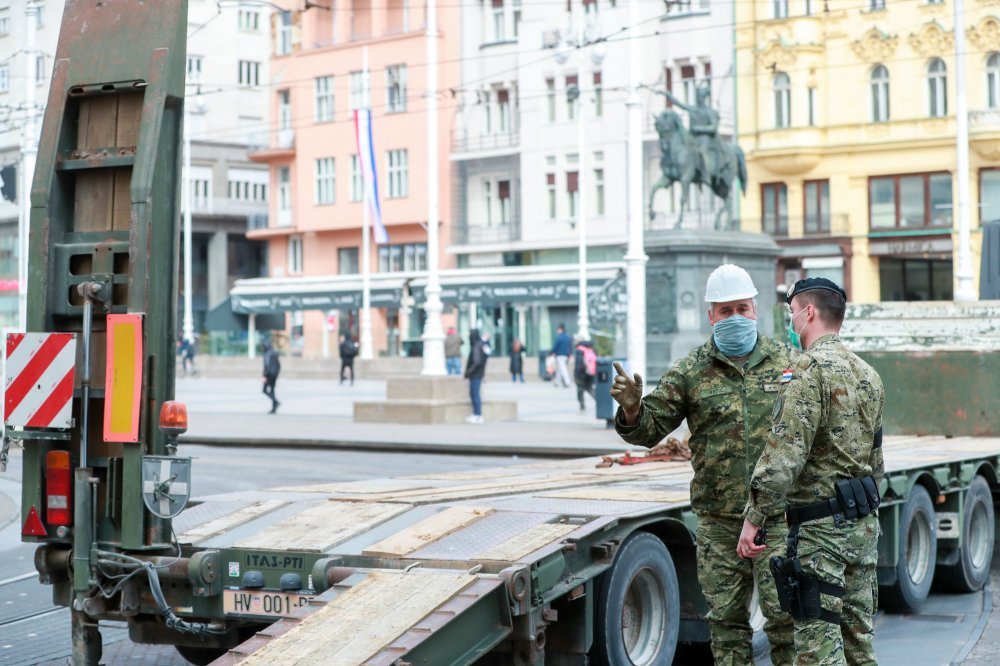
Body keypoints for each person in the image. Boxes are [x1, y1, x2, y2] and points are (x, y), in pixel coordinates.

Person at [611, 264, 796, 666]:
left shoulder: (788, 362)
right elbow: (649, 429)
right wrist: (630, 410)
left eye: (742, 309)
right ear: (710, 315)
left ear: (755, 310)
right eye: (725, 311)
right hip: (718, 523)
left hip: (777, 519)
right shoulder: (691, 370)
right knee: (727, 625)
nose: (735, 319)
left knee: (785, 622)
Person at [737, 278, 884, 665]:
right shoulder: (869, 374)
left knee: (818, 649)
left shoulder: (806, 370)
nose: (792, 322)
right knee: (858, 644)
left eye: (792, 313)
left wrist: (754, 517)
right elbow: (877, 461)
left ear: (809, 313)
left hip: (821, 535)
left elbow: (784, 456)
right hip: (863, 526)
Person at [464, 329, 488, 424]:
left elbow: (476, 362)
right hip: (478, 373)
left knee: (475, 394)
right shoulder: (480, 345)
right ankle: (477, 414)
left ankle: (477, 414)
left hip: (475, 374)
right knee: (475, 393)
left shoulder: (476, 346)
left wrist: (468, 372)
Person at [573, 339, 596, 411]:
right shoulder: (591, 349)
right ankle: (600, 400)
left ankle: (582, 405)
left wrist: (576, 375)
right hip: (591, 373)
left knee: (580, 390)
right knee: (589, 388)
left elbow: (578, 364)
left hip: (581, 374)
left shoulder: (579, 350)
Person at [551, 324, 573, 388]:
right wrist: (570, 354)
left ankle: (567, 382)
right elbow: (570, 347)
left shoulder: (559, 337)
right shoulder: (568, 337)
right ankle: (557, 382)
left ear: (561, 329)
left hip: (560, 355)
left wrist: (552, 352)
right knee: (559, 369)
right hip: (566, 356)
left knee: (563, 369)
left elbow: (555, 347)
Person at [262, 342, 281, 414]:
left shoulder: (267, 354)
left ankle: (275, 401)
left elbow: (266, 365)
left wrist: (265, 375)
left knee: (264, 390)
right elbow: (279, 365)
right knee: (272, 390)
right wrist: (276, 374)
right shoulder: (274, 353)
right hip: (275, 374)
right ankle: (274, 407)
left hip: (269, 374)